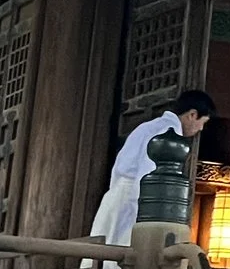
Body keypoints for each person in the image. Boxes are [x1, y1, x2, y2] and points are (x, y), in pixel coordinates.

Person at [89, 89, 216, 246]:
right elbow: (147, 172)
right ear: (192, 114)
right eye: (202, 122)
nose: (200, 129)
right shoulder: (168, 134)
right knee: (122, 254)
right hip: (135, 196)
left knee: (102, 250)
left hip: (117, 193)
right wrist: (143, 213)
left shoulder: (148, 126)